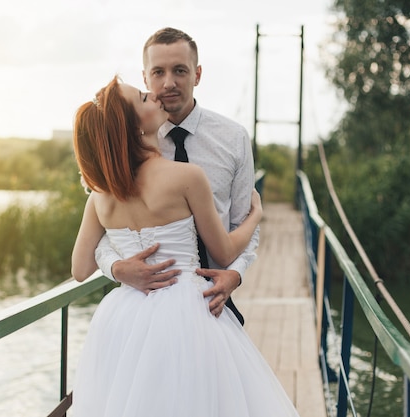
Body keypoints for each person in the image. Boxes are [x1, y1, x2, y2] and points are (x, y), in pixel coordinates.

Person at [70, 76, 299, 417]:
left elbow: (79, 269)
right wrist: (255, 216)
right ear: (135, 129)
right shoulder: (186, 177)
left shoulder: (101, 196)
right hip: (189, 311)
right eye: (144, 97)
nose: (156, 97)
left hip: (123, 319)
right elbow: (223, 252)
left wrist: (118, 269)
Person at [94, 27, 258, 324]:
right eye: (158, 72)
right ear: (145, 78)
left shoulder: (234, 138)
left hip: (215, 305)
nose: (168, 83)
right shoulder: (126, 151)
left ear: (197, 74)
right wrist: (116, 268)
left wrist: (236, 274)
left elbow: (243, 221)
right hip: (144, 313)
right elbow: (105, 231)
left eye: (179, 70)